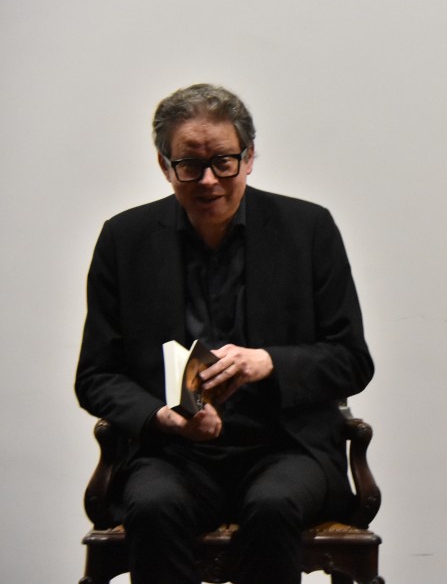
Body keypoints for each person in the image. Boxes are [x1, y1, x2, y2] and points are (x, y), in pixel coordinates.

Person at [74, 83, 374, 584]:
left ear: (249, 157)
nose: (209, 180)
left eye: (224, 161)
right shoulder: (124, 239)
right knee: (152, 506)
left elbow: (352, 360)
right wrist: (161, 418)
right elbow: (96, 377)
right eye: (190, 165)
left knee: (273, 505)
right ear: (164, 165)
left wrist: (269, 362)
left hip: (285, 446)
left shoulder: (309, 229)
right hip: (172, 454)